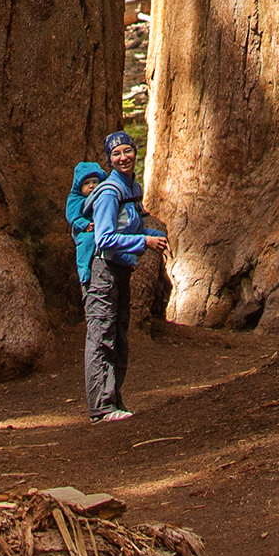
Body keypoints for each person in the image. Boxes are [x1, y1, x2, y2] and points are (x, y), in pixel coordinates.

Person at [78, 127, 164, 422]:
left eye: (127, 150)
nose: (123, 157)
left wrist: (155, 235)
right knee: (102, 334)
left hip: (121, 268)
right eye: (116, 153)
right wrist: (145, 243)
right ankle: (101, 408)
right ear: (109, 160)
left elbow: (133, 226)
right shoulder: (109, 193)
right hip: (102, 270)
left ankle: (112, 401)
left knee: (118, 336)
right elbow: (104, 238)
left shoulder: (130, 188)